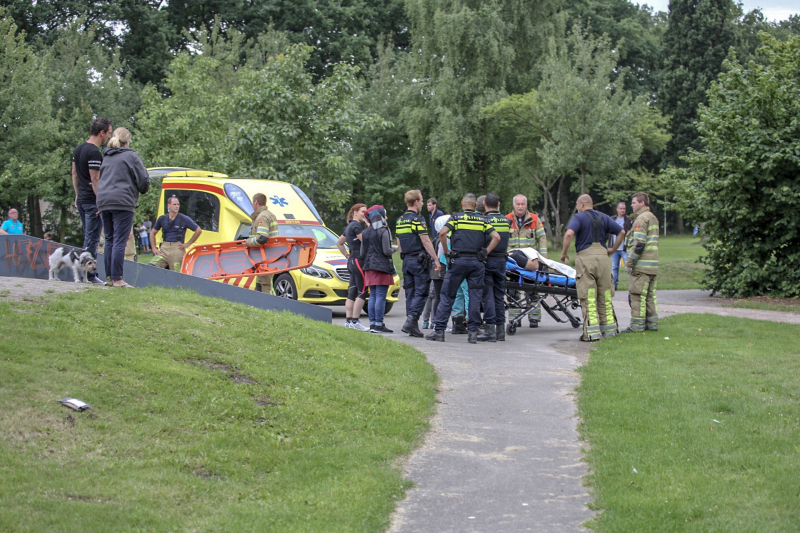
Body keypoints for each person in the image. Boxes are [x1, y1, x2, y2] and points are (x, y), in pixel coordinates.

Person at [426, 193, 500, 344]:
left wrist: (447, 253)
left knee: (447, 295)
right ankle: (473, 332)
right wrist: (486, 251)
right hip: (476, 263)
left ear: (462, 203)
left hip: (458, 261)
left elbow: (442, 233)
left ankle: (439, 331)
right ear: (474, 205)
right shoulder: (483, 220)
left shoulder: (456, 218)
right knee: (474, 296)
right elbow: (496, 237)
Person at [561, 194, 625, 342]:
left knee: (589, 296)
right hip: (603, 258)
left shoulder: (579, 217)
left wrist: (564, 253)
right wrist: (613, 249)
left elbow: (569, 233)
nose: (577, 208)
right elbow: (621, 232)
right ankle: (610, 330)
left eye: (577, 205)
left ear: (582, 204)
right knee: (605, 295)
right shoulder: (605, 217)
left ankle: (591, 333)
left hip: (586, 258)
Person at [96, 127, 150, 287]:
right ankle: (117, 278)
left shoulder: (106, 157)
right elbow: (143, 180)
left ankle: (109, 278)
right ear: (127, 141)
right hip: (122, 201)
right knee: (120, 240)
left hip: (104, 201)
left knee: (110, 240)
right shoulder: (131, 156)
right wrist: (143, 189)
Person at [71, 117, 113, 284]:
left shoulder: (78, 149)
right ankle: (89, 275)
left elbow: (74, 174)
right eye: (108, 133)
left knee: (88, 238)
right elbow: (95, 180)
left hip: (82, 199)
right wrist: (100, 201)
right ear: (101, 133)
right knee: (92, 240)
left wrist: (77, 193)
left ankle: (85, 275)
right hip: (92, 201)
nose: (109, 137)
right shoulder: (94, 152)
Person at [397, 190, 441, 338]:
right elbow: (426, 240)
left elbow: (399, 241)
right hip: (418, 260)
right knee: (421, 292)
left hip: (406, 261)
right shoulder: (418, 219)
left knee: (410, 293)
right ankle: (411, 321)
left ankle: (412, 325)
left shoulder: (400, 220)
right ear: (416, 202)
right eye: (421, 200)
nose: (422, 203)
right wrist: (435, 258)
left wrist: (404, 254)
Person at [506, 194, 548, 327]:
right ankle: (515, 319)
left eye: (522, 204)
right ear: (514, 205)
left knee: (533, 289)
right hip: (513, 262)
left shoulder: (535, 220)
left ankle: (534, 318)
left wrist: (544, 261)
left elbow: (542, 240)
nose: (520, 206)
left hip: (530, 261)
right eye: (517, 204)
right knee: (512, 291)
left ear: (526, 205)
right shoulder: (506, 220)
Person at [477, 193, 510, 343]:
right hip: (502, 262)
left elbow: (481, 242)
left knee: (487, 296)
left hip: (488, 261)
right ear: (498, 204)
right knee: (499, 295)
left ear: (484, 204)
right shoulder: (506, 220)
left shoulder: (484, 221)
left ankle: (489, 329)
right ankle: (501, 331)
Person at [624, 192, 659, 332]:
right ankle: (652, 324)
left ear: (642, 203)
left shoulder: (641, 219)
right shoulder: (653, 218)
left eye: (634, 203)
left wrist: (630, 262)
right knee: (650, 295)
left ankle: (636, 326)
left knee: (637, 295)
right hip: (652, 265)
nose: (631, 205)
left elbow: (639, 244)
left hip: (641, 266)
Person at [360, 205, 396, 333]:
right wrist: (396, 249)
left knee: (373, 295)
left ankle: (373, 324)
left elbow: (362, 253)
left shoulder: (365, 232)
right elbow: (387, 251)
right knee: (381, 296)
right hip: (382, 267)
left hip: (369, 266)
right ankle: (379, 324)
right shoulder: (383, 230)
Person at [336, 203, 370, 332]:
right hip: (358, 261)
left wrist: (346, 255)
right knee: (363, 291)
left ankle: (349, 320)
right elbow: (366, 241)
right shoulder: (356, 226)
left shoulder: (349, 225)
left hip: (351, 261)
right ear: (355, 212)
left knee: (352, 292)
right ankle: (355, 321)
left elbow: (339, 242)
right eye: (363, 212)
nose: (365, 214)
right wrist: (369, 226)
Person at [149, 196, 203, 271]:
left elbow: (198, 230)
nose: (177, 206)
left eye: (178, 204)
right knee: (151, 266)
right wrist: (154, 248)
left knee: (176, 273)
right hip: (164, 248)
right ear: (168, 205)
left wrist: (188, 244)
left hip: (177, 249)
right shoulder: (162, 218)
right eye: (174, 204)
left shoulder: (184, 218)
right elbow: (152, 233)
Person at [240, 193, 278, 294]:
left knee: (264, 284)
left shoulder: (262, 217)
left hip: (265, 256)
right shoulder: (269, 214)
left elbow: (262, 238)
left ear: (255, 202)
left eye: (253, 203)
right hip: (268, 255)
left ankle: (268, 307)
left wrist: (247, 242)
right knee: (263, 282)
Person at [608, 201, 632, 289]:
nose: (622, 210)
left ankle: (632, 286)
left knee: (628, 267)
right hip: (614, 248)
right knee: (614, 268)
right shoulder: (612, 219)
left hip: (624, 248)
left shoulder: (628, 220)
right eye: (621, 208)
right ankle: (614, 287)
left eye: (624, 209)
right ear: (617, 209)